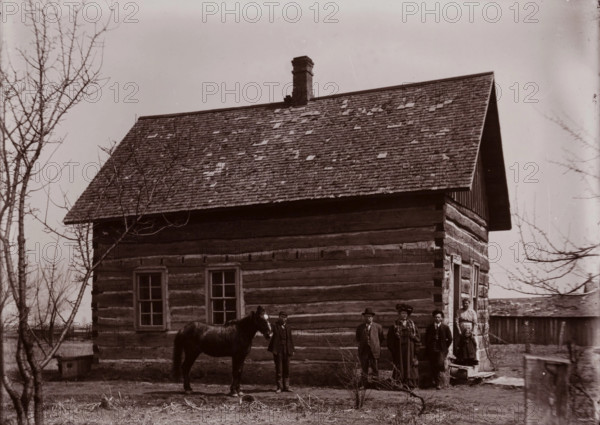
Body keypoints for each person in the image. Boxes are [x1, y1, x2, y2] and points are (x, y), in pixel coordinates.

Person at [387, 303, 420, 389]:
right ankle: (399, 383)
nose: (404, 315)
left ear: (408, 315)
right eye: (402, 313)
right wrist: (394, 350)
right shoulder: (394, 325)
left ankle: (409, 384)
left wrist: (416, 350)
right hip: (399, 350)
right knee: (399, 365)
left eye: (405, 313)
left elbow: (417, 339)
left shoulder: (412, 325)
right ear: (399, 314)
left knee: (410, 365)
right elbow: (390, 340)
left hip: (410, 350)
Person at [355, 308, 385, 388]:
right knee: (364, 368)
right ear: (364, 317)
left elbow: (381, 338)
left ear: (372, 317)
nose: (368, 318)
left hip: (374, 351)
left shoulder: (378, 327)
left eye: (370, 317)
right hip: (364, 350)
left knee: (375, 368)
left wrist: (375, 345)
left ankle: (376, 384)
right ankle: (364, 384)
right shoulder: (360, 327)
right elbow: (358, 338)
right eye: (366, 316)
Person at [267, 311, 295, 393]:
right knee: (279, 369)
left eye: (284, 317)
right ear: (279, 317)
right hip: (278, 350)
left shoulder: (288, 327)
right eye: (281, 317)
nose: (283, 318)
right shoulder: (275, 326)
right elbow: (270, 333)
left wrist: (292, 350)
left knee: (287, 368)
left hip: (287, 350)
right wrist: (269, 334)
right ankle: (279, 387)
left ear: (287, 318)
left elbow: (290, 339)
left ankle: (286, 386)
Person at [425, 309, 453, 389]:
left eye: (439, 317)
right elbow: (426, 338)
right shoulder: (430, 327)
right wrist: (429, 346)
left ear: (441, 318)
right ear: (433, 318)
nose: (437, 319)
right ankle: (435, 382)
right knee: (433, 364)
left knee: (439, 364)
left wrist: (445, 347)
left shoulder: (445, 327)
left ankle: (439, 382)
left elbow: (450, 339)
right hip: (432, 349)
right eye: (436, 317)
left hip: (441, 350)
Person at [455, 298, 478, 366]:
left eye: (467, 303)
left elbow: (475, 323)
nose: (465, 305)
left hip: (470, 329)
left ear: (469, 304)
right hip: (462, 329)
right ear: (462, 304)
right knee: (462, 344)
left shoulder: (472, 312)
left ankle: (474, 359)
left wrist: (473, 332)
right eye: (464, 303)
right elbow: (456, 321)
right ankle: (461, 359)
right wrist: (459, 330)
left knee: (473, 344)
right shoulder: (459, 311)